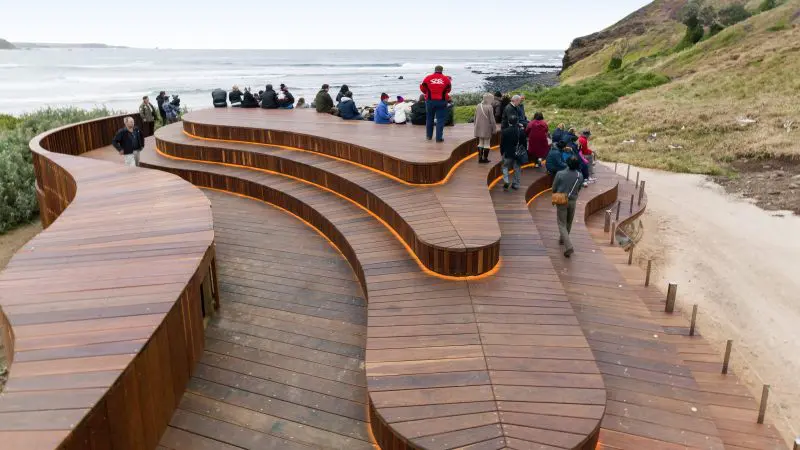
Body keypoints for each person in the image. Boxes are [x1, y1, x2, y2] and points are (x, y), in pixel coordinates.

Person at [552, 156, 584, 258]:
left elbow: (554, 188)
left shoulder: (560, 174)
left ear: (567, 163)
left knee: (561, 223)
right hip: (573, 201)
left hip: (561, 199)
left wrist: (556, 193)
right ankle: (563, 239)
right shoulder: (580, 175)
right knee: (569, 222)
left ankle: (568, 245)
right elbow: (579, 188)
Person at [420, 65, 452, 142]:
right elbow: (448, 90)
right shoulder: (446, 79)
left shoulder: (428, 78)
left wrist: (427, 93)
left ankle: (429, 136)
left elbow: (422, 87)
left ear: (435, 70)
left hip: (430, 101)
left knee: (429, 118)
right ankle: (439, 138)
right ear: (442, 70)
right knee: (440, 120)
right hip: (441, 101)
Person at [500, 114, 524, 191]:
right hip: (517, 154)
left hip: (508, 153)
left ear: (509, 122)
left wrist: (502, 152)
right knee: (517, 168)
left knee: (505, 167)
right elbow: (523, 143)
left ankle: (506, 181)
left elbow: (502, 144)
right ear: (517, 122)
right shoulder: (520, 131)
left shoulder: (505, 132)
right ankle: (516, 184)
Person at [473, 93, 496, 164]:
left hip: (479, 127)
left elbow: (475, 117)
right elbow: (492, 119)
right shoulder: (489, 107)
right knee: (487, 143)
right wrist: (494, 129)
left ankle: (480, 158)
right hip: (487, 128)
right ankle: (485, 158)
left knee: (480, 143)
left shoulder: (478, 105)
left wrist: (475, 126)